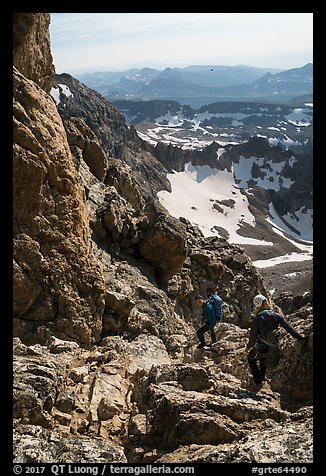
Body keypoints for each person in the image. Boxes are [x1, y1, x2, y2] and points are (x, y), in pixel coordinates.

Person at [245, 293, 304, 388]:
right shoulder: (276, 315)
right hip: (273, 348)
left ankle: (258, 381)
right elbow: (289, 328)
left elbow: (253, 337)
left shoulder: (257, 318)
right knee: (263, 360)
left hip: (261, 347)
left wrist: (248, 347)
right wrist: (300, 337)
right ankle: (262, 376)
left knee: (251, 359)